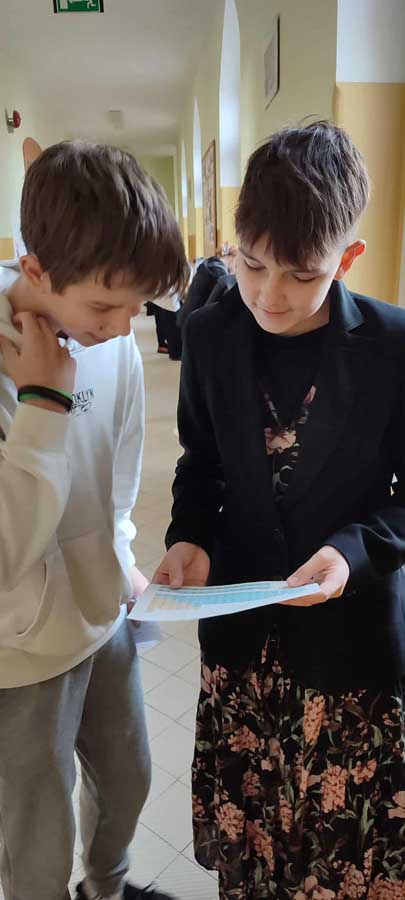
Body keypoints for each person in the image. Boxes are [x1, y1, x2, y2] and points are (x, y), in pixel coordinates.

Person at [154, 121, 405, 899]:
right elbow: (200, 464)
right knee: (254, 851)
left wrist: (351, 552)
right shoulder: (208, 333)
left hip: (348, 645)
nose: (268, 295)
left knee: (339, 862)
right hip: (242, 646)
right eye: (252, 264)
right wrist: (189, 538)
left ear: (346, 259)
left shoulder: (392, 345)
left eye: (300, 275)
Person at [0, 141, 187, 900]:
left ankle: (104, 891)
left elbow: (119, 467)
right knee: (37, 842)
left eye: (135, 306)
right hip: (18, 647)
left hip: (102, 609)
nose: (120, 325)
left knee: (128, 778)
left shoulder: (114, 341)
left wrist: (122, 552)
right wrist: (42, 404)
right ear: (37, 270)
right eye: (104, 308)